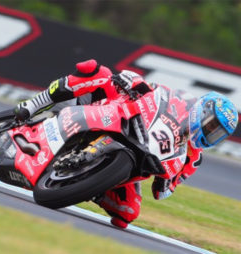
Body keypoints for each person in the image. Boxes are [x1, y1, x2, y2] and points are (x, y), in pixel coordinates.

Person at [13, 59, 239, 228]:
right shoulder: (180, 101)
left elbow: (165, 190)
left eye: (216, 133)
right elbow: (151, 89)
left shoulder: (194, 157)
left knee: (127, 212)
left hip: (139, 153)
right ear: (202, 110)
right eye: (211, 125)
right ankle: (33, 104)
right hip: (118, 113)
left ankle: (86, 181)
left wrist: (165, 183)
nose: (210, 132)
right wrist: (134, 82)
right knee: (96, 71)